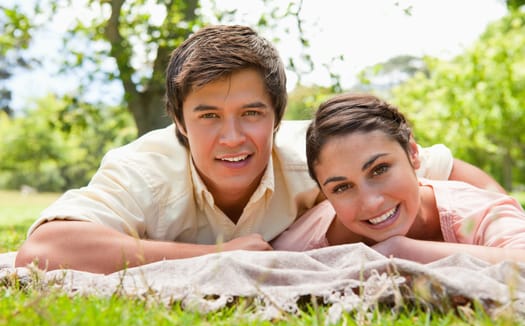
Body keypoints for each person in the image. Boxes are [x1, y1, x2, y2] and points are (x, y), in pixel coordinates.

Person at [15, 25, 503, 274]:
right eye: (208, 116)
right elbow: (43, 249)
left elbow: (456, 172)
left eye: (251, 113)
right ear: (179, 121)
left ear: (276, 115)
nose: (232, 137)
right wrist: (222, 256)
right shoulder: (144, 168)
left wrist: (506, 225)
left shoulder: (318, 156)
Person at [272, 93, 525, 264]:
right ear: (324, 196)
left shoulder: (478, 210)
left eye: (379, 169)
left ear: (414, 154)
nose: (371, 203)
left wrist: (403, 250)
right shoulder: (302, 245)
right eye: (342, 187)